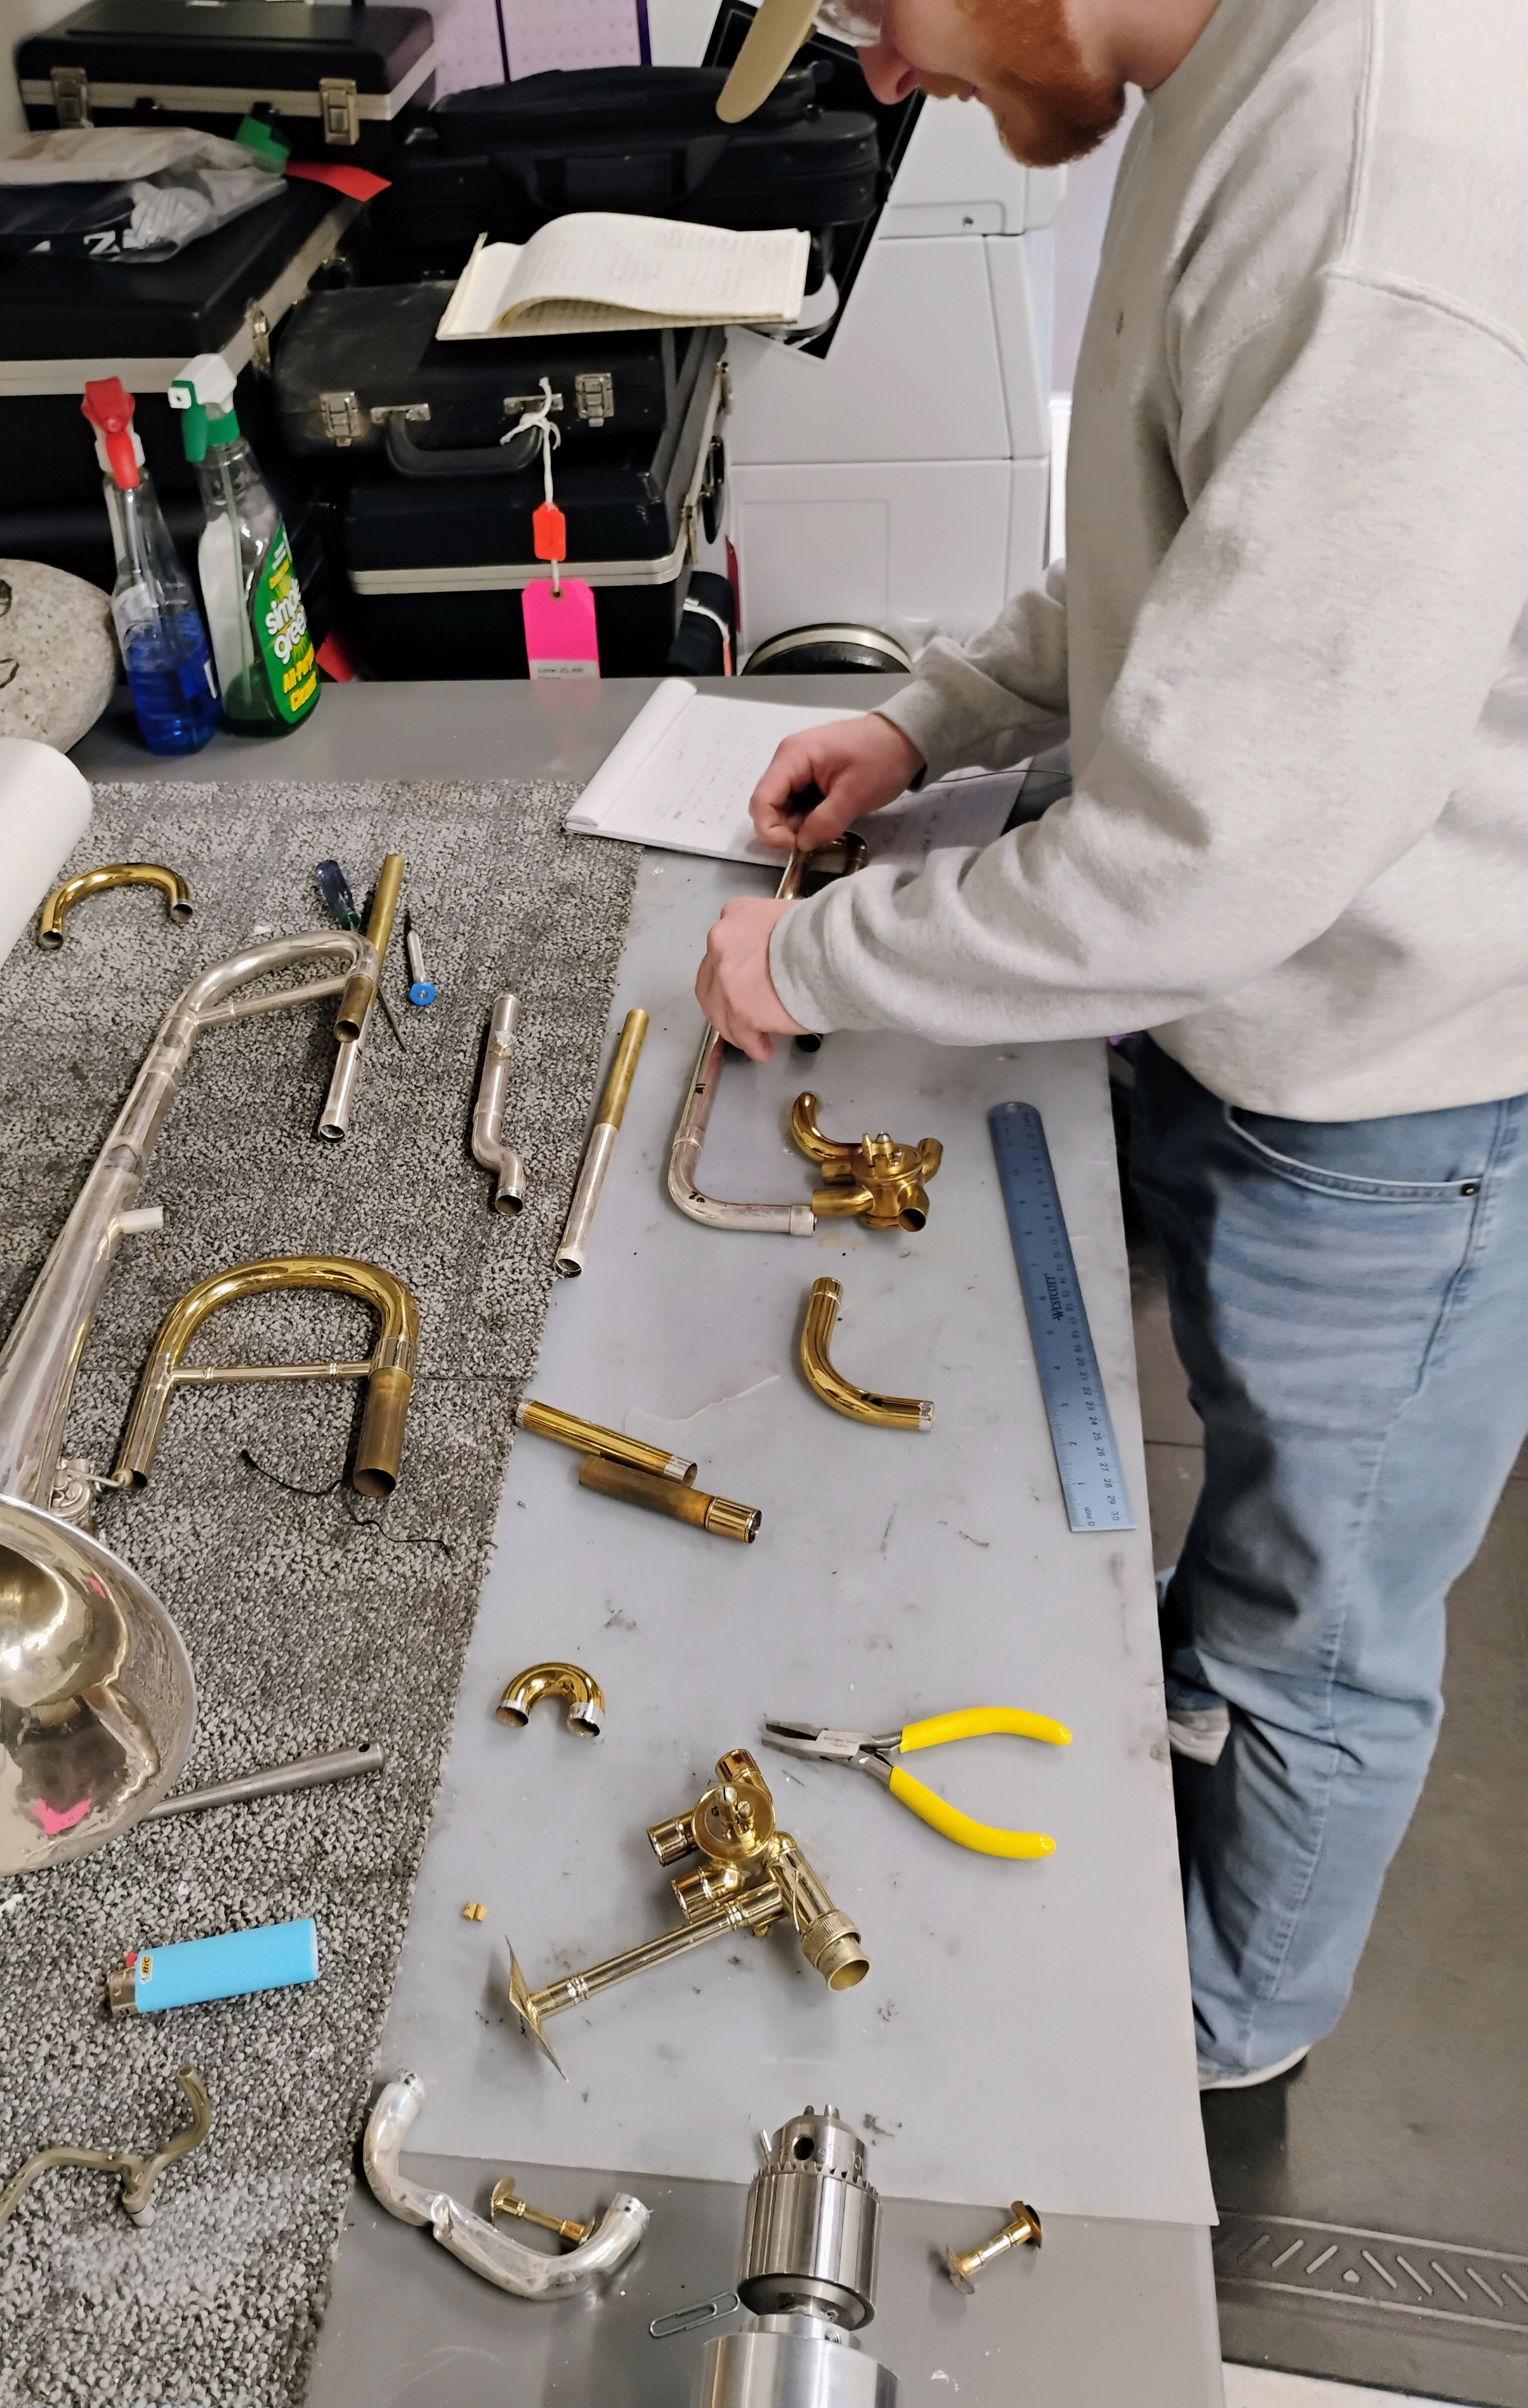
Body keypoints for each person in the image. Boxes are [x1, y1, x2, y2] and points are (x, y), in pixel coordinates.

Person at [697, 0, 1528, 2089]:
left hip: (1397, 1082)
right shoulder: (1216, 76)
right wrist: (933, 716)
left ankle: (1206, 2049)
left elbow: (1208, 859)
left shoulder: (1373, 173)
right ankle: (1172, 1717)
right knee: (1221, 1570)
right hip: (1266, 1017)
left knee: (1315, 1632)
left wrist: (816, 967)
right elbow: (1187, 559)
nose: (878, 78)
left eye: (866, 10)